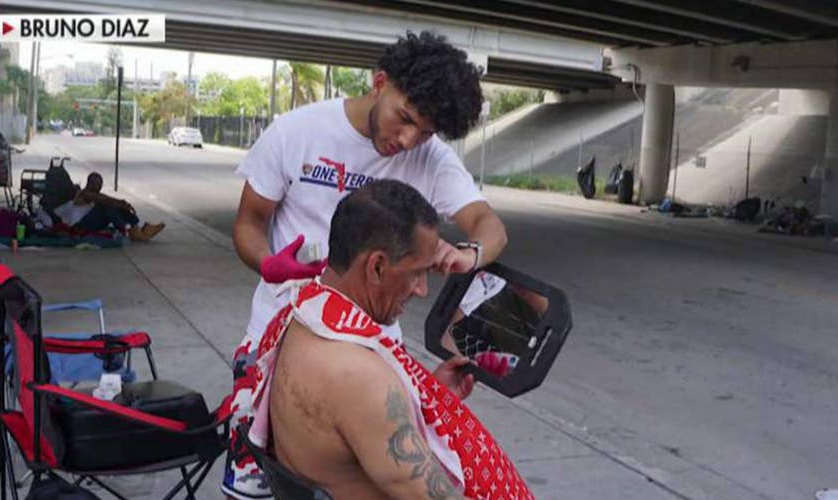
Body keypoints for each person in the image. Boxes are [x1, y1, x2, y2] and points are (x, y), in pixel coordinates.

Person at [226, 31, 508, 500]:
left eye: (426, 131)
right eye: (405, 119)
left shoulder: (428, 157)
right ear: (379, 83)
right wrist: (268, 262)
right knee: (262, 479)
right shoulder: (297, 132)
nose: (408, 139)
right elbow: (249, 222)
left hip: (372, 348)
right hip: (284, 335)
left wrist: (469, 252)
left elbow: (489, 225)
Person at [245, 180, 532, 500]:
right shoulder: (361, 378)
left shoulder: (299, 317)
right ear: (377, 267)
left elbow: (353, 427)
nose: (422, 289)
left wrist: (421, 401)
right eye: (417, 273)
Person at [54, 172, 165, 241]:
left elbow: (106, 197)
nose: (99, 187)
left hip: (89, 222)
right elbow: (103, 200)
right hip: (80, 225)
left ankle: (137, 230)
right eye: (97, 184)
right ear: (90, 184)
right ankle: (133, 231)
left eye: (100, 184)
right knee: (107, 207)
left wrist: (122, 202)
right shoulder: (84, 194)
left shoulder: (93, 194)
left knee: (113, 205)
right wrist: (120, 204)